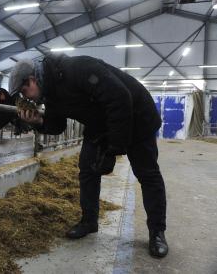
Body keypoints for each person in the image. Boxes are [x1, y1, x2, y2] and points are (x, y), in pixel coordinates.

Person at [9, 54, 168, 258]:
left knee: (147, 174)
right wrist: (37, 121)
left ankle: (157, 232)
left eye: (24, 91)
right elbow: (57, 126)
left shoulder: (77, 68)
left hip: (137, 116)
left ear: (32, 80)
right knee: (87, 169)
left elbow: (120, 98)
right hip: (100, 122)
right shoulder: (50, 92)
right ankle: (89, 221)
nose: (27, 98)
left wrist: (114, 149)